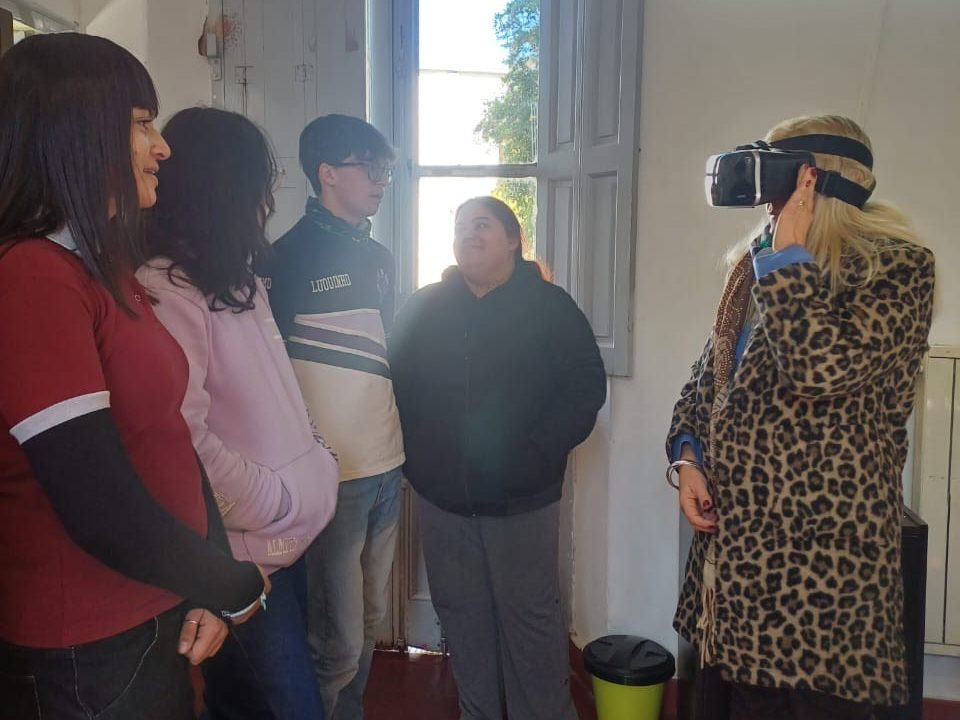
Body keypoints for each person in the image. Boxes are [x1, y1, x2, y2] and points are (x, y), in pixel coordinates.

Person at [0, 34, 268, 720]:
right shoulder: (31, 276)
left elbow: (170, 437)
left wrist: (207, 578)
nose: (162, 147)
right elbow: (96, 503)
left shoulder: (102, 269)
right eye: (141, 124)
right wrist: (231, 583)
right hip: (89, 644)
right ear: (74, 134)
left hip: (153, 608)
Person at [666, 115, 936, 719]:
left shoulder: (898, 269)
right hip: (738, 566)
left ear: (814, 179)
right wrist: (687, 458)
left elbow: (822, 369)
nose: (764, 193)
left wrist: (788, 258)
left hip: (824, 579)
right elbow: (707, 382)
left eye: (777, 174)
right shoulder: (755, 265)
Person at [137, 107, 340, 720]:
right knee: (286, 707)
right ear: (221, 187)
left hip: (285, 541)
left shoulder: (235, 275)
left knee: (243, 703)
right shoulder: (166, 288)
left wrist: (315, 459)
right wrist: (276, 498)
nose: (267, 201)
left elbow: (279, 396)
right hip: (243, 556)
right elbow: (179, 437)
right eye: (259, 183)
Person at [390, 196, 607, 720]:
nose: (468, 233)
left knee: (531, 622)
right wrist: (420, 462)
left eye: (482, 224)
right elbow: (395, 389)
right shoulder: (424, 307)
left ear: (513, 240)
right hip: (443, 503)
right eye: (461, 225)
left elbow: (584, 389)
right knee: (463, 619)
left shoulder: (550, 307)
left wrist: (535, 456)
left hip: (523, 502)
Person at [266, 113, 403, 720]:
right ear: (326, 173)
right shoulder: (282, 259)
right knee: (336, 645)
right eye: (368, 168)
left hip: (388, 463)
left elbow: (385, 355)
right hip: (332, 476)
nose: (380, 181)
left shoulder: (380, 257)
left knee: (369, 624)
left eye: (386, 171)